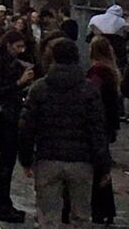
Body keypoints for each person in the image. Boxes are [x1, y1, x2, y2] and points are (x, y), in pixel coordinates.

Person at [19, 39, 111, 227]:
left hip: (48, 157)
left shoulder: (39, 88)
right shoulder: (88, 89)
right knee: (81, 217)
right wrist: (103, 165)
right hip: (81, 160)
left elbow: (27, 127)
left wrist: (26, 159)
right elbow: (97, 130)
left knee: (48, 218)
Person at [0, 30, 34, 223]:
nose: (20, 51)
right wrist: (19, 83)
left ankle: (5, 203)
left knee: (7, 162)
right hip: (4, 118)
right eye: (17, 47)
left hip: (10, 116)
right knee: (6, 163)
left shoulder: (9, 63)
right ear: (8, 45)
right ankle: (4, 205)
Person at [85, 36, 121, 224]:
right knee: (102, 167)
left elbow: (92, 95)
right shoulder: (111, 71)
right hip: (107, 124)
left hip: (98, 124)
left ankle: (100, 209)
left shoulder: (97, 72)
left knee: (97, 168)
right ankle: (106, 209)